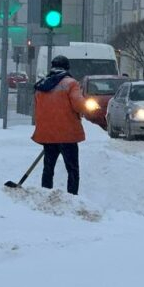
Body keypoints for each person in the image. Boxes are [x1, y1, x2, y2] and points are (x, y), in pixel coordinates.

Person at [31, 55, 89, 195]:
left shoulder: (42, 85)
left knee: (48, 168)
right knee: (72, 169)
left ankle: (45, 194)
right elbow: (78, 105)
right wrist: (87, 108)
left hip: (48, 134)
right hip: (67, 134)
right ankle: (72, 197)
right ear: (67, 67)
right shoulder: (70, 83)